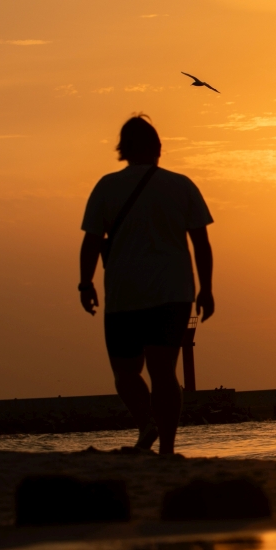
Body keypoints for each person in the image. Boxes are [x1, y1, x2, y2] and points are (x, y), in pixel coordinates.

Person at [78, 114, 214, 455]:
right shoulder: (181, 185)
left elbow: (91, 242)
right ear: (158, 148)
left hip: (125, 296)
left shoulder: (106, 187)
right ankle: (166, 448)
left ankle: (147, 424)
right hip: (173, 294)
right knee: (164, 371)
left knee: (125, 373)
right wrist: (207, 289)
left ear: (123, 149)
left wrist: (85, 284)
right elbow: (201, 243)